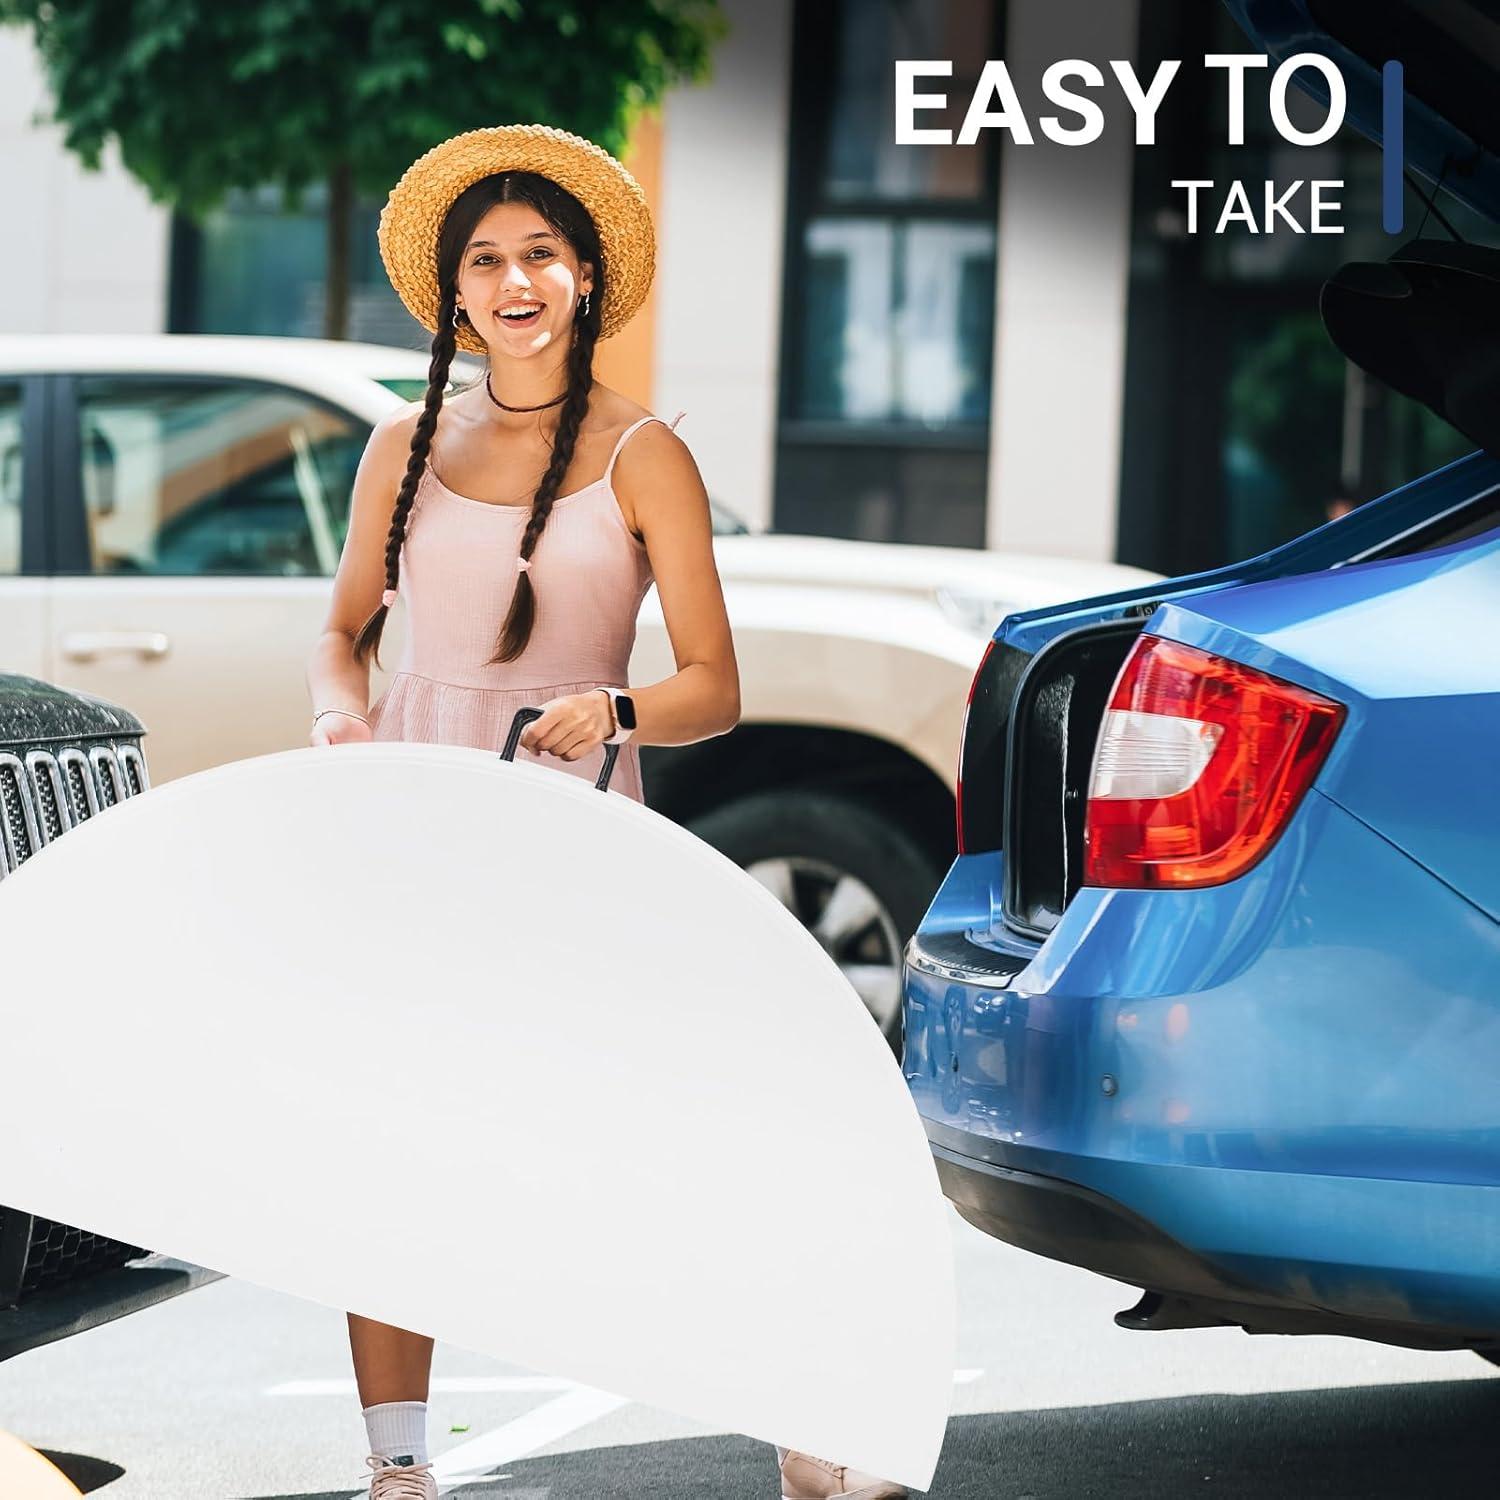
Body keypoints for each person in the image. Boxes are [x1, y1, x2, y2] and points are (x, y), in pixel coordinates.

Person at [304, 124, 906, 1500]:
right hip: (411, 837)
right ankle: (398, 1467)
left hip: (575, 836)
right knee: (392, 1146)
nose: (515, 281)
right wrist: (341, 716)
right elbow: (342, 635)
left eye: (540, 257)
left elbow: (715, 686)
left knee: (674, 1133)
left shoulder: (646, 454)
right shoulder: (398, 447)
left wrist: (619, 711)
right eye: (487, 261)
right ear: (455, 292)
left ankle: (811, 1428)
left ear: (583, 280)